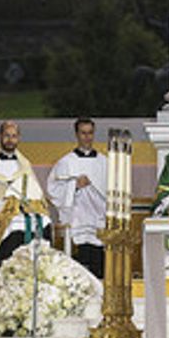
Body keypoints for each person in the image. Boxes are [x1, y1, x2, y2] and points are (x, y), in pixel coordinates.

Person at [0, 120, 51, 264]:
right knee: (14, 228)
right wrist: (6, 192)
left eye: (14, 136)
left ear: (18, 138)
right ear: (0, 136)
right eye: (7, 135)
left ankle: (39, 266)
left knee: (44, 222)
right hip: (0, 213)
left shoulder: (24, 164)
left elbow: (34, 189)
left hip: (23, 210)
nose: (10, 140)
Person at [46, 117, 107, 278]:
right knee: (81, 266)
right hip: (77, 217)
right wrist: (74, 185)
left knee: (99, 265)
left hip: (98, 218)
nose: (87, 137)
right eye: (83, 133)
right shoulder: (66, 162)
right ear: (77, 135)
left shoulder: (104, 162)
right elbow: (53, 189)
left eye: (90, 133)